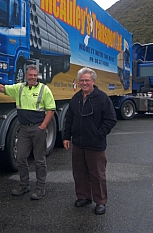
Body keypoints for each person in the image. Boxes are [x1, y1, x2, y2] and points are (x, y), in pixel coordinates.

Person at [0, 64, 56, 200]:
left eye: (34, 75)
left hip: (38, 129)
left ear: (37, 76)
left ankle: (40, 187)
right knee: (20, 158)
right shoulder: (19, 88)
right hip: (24, 129)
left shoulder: (44, 90)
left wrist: (43, 126)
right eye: (30, 75)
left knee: (39, 160)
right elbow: (2, 88)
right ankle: (24, 184)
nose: (32, 77)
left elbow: (51, 109)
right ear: (26, 75)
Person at [63, 67, 117, 215]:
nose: (84, 83)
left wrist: (99, 134)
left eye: (87, 80)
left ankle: (100, 202)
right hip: (78, 144)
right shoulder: (76, 98)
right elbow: (69, 119)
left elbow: (111, 119)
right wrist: (66, 137)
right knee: (79, 172)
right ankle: (83, 196)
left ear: (93, 81)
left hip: (95, 145)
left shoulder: (102, 98)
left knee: (97, 174)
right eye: (82, 81)